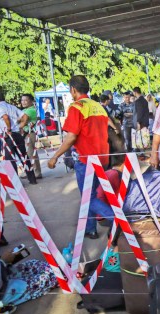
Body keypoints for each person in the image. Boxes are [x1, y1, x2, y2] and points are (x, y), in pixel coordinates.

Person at [47, 75, 113, 239]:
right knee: (89, 195)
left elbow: (71, 137)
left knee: (88, 198)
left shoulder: (77, 107)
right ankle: (90, 229)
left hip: (86, 159)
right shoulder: (98, 106)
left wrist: (55, 156)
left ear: (73, 90)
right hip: (102, 158)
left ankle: (119, 222)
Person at [0, 90, 37, 184]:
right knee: (24, 156)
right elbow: (24, 116)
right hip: (17, 134)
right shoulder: (11, 106)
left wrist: (9, 129)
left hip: (8, 135)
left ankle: (15, 183)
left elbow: (6, 117)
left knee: (10, 159)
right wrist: (20, 126)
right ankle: (32, 179)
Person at [18, 94, 41, 179]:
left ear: (31, 101)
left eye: (25, 100)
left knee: (31, 154)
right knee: (26, 154)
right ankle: (28, 171)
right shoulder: (25, 110)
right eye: (22, 100)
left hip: (30, 133)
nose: (23, 102)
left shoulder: (30, 110)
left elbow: (22, 120)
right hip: (25, 133)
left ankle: (37, 172)